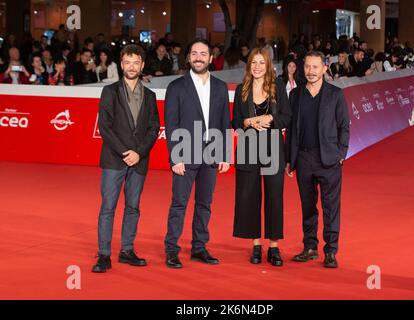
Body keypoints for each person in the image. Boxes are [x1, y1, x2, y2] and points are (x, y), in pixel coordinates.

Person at [91, 44, 160, 273]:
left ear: (142, 65)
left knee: (133, 207)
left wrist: (138, 153)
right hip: (114, 159)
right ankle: (103, 254)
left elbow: (153, 128)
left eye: (136, 62)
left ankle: (127, 250)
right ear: (121, 65)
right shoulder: (109, 91)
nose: (132, 67)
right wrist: (125, 152)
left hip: (139, 161)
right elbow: (105, 127)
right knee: (108, 208)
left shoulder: (150, 96)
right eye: (127, 62)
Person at [164, 39, 231, 269]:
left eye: (203, 53)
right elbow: (171, 124)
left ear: (210, 58)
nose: (199, 57)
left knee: (205, 204)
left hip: (211, 153)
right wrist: (175, 157)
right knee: (179, 204)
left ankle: (199, 247)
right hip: (185, 153)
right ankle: (172, 250)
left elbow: (224, 122)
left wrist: (225, 154)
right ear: (188, 57)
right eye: (194, 53)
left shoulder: (221, 87)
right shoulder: (176, 87)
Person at [285, 51, 350, 268]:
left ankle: (330, 251)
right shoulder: (295, 95)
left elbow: (344, 127)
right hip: (303, 158)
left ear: (324, 68)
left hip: (329, 159)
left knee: (331, 207)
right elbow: (291, 131)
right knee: (308, 206)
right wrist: (289, 159)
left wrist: (341, 154)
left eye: (315, 67)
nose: (310, 71)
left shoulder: (335, 94)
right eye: (307, 67)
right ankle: (310, 247)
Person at [232, 48, 291, 266]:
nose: (257, 67)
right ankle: (256, 244)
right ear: (249, 66)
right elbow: (235, 121)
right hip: (248, 149)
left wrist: (271, 118)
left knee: (274, 197)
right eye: (253, 63)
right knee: (250, 197)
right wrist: (246, 122)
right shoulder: (241, 90)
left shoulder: (278, 89)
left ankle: (274, 247)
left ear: (268, 66)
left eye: (261, 63)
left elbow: (287, 117)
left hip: (273, 149)